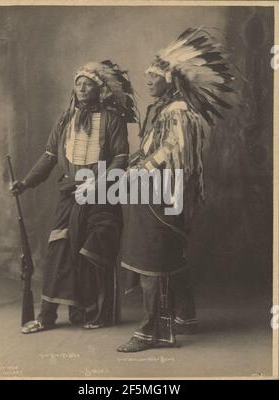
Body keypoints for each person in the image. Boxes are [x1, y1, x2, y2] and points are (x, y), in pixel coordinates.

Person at [117, 27, 235, 352]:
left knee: (152, 258)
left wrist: (137, 172)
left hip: (163, 193)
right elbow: (153, 147)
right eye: (149, 76)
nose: (148, 81)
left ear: (171, 78)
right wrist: (134, 162)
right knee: (168, 254)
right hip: (156, 192)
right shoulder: (163, 110)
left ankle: (151, 331)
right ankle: (185, 317)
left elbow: (172, 152)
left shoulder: (178, 112)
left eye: (154, 76)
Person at [10, 60, 138, 333]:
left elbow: (121, 159)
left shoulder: (113, 119)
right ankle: (47, 316)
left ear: (99, 88)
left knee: (94, 251)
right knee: (59, 250)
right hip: (70, 195)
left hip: (103, 196)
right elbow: (49, 157)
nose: (81, 87)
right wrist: (26, 183)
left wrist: (97, 184)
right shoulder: (65, 119)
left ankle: (97, 311)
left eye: (87, 83)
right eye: (78, 82)